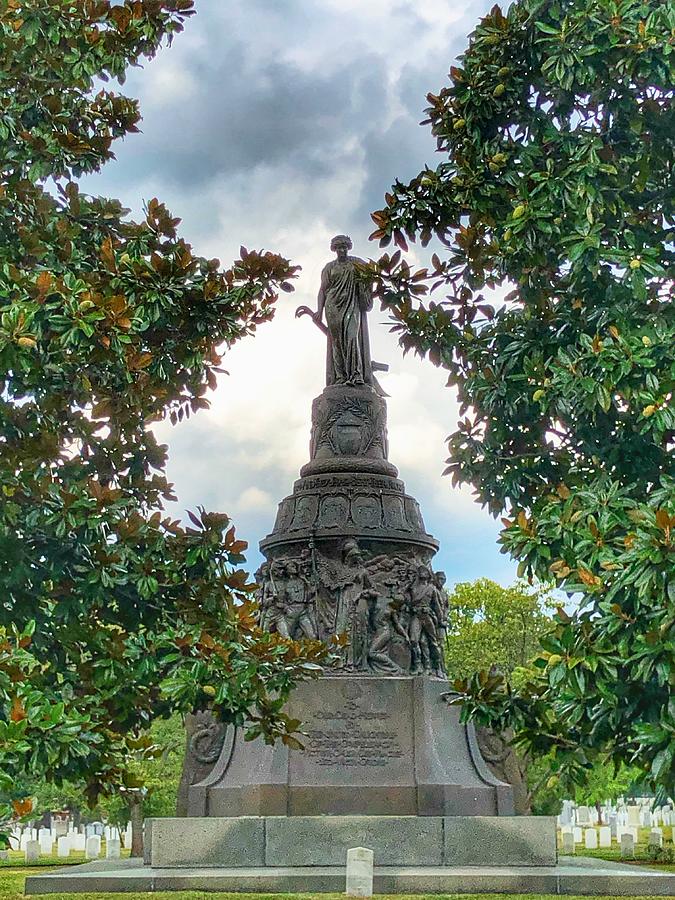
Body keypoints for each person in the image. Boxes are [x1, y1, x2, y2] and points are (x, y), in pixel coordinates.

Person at [315, 235, 373, 387]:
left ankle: (356, 375)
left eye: (344, 247)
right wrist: (319, 311)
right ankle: (340, 377)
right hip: (332, 305)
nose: (342, 250)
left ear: (348, 248)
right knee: (337, 342)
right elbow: (323, 290)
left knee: (351, 337)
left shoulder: (357, 263)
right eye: (339, 247)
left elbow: (370, 276)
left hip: (351, 304)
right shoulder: (329, 267)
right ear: (334, 249)